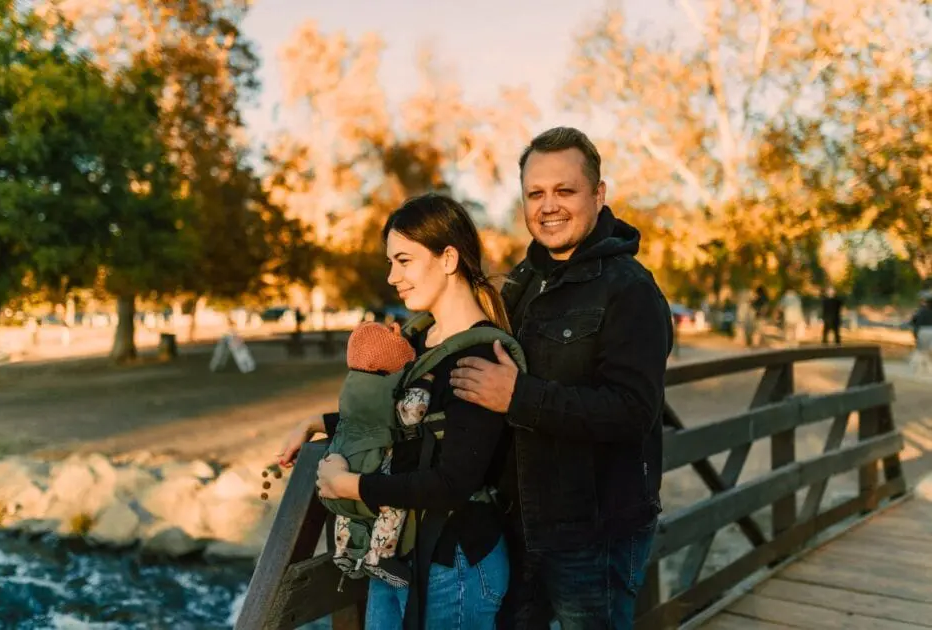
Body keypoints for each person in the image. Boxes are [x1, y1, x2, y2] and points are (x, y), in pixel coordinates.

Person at [450, 127, 673, 629]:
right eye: (536, 193)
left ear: (599, 194)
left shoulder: (629, 290)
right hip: (519, 525)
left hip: (595, 531)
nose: (548, 206)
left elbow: (632, 412)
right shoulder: (521, 283)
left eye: (565, 191)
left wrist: (518, 397)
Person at [276, 193, 515, 630]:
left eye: (403, 260)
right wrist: (317, 422)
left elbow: (452, 484)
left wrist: (352, 485)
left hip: (454, 563)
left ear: (448, 258)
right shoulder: (419, 343)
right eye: (391, 262)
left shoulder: (480, 355)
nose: (392, 277)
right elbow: (406, 425)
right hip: (397, 555)